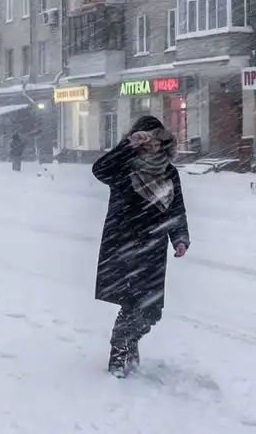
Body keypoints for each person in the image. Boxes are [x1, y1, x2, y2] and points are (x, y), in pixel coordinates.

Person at [91, 115, 190, 378]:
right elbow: (99, 169)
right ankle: (120, 351)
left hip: (154, 246)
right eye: (145, 141)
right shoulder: (124, 167)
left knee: (151, 310)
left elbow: (176, 208)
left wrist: (179, 237)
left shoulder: (169, 172)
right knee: (133, 302)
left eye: (156, 140)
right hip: (124, 243)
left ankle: (129, 341)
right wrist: (127, 145)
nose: (152, 145)